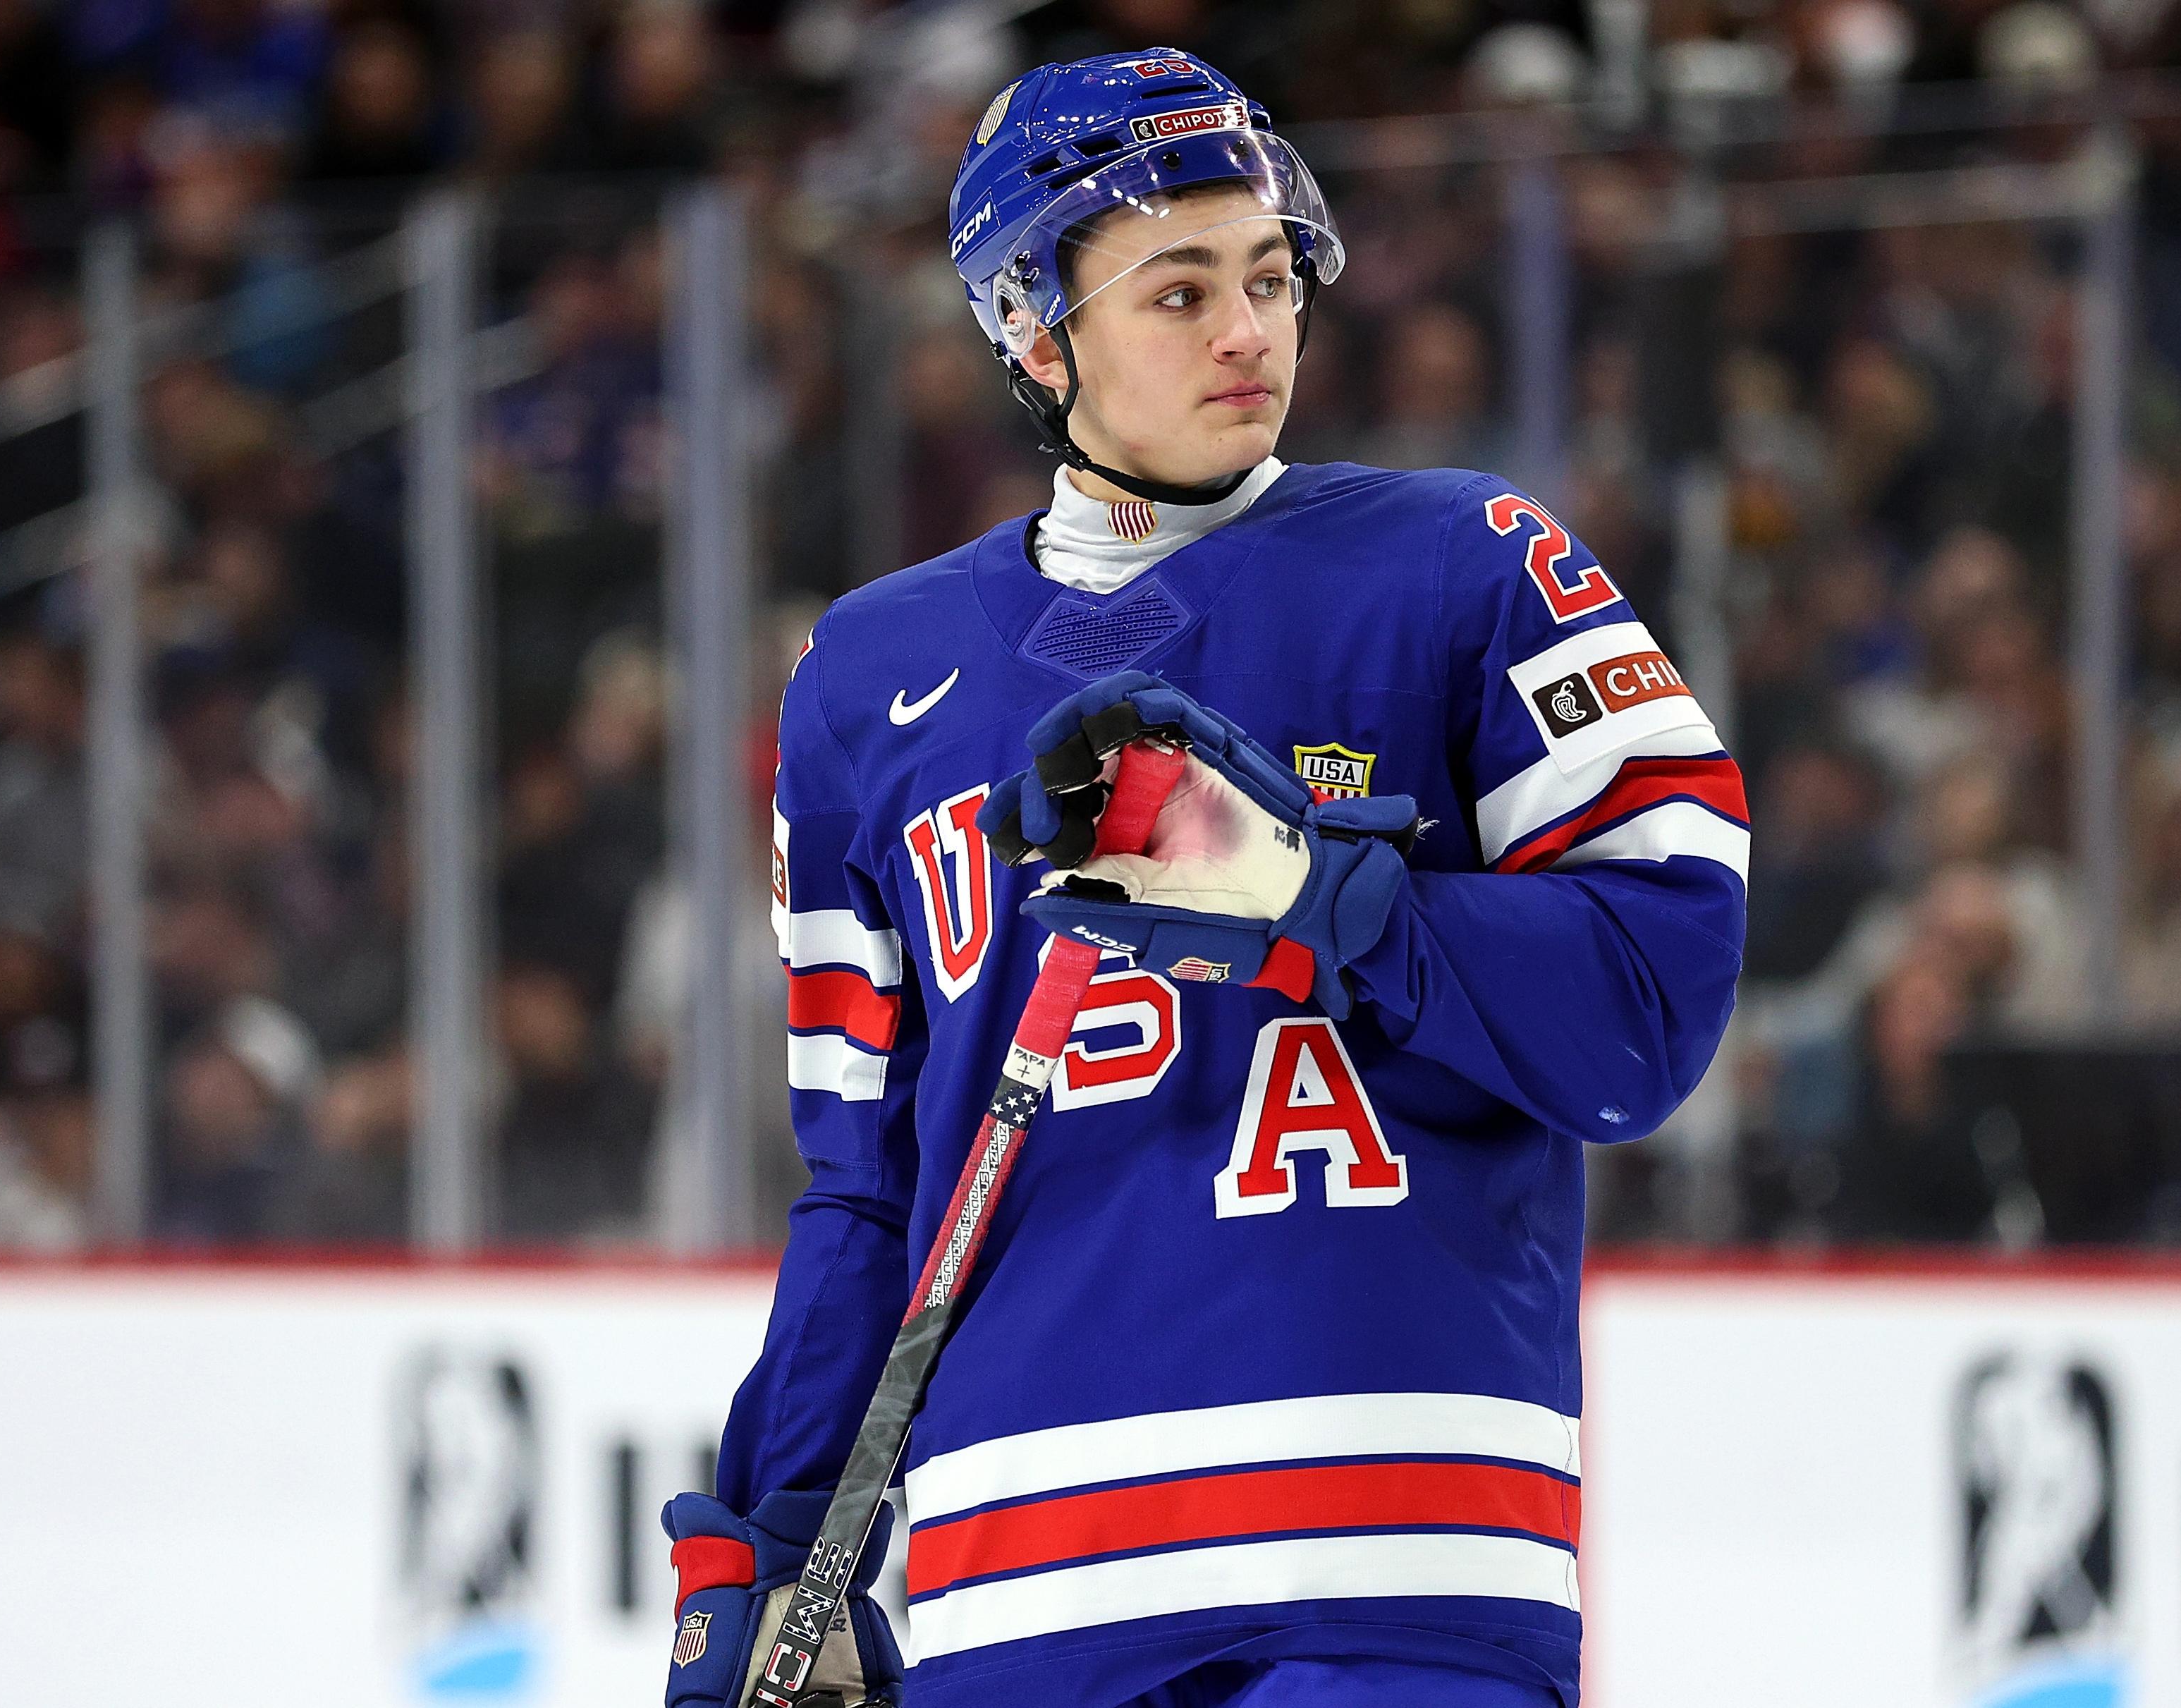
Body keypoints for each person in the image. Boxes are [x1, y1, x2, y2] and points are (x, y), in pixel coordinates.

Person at [661, 51, 1750, 1708]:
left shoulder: (1471, 568)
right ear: (1035, 330)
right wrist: (778, 1526)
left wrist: (1324, 896)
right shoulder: (864, 680)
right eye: (1178, 290)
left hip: (1386, 1550)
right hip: (1013, 1586)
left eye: (1266, 276)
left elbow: (1649, 1003)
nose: (1249, 330)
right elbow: (866, 1184)